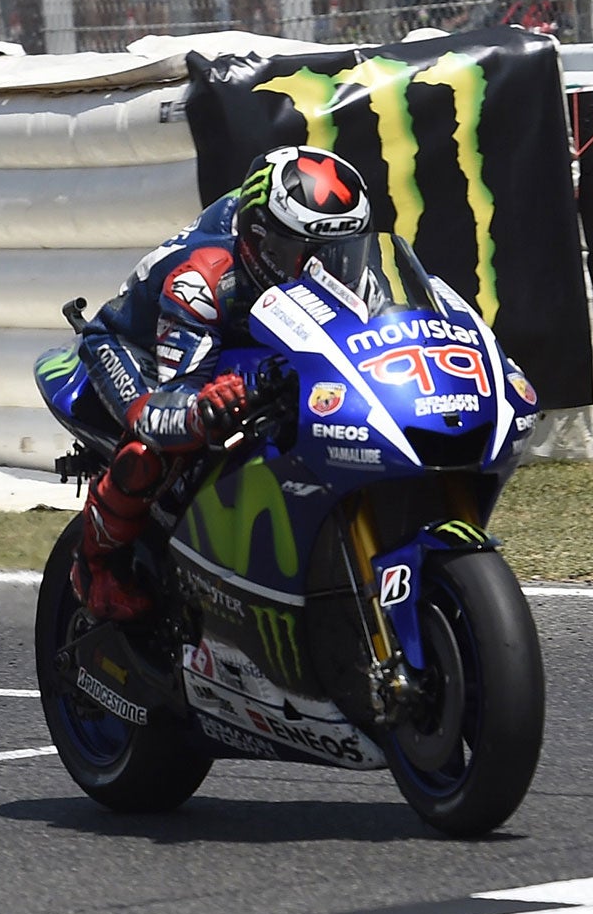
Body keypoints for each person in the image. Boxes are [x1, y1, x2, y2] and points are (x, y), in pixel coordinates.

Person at [67, 145, 374, 622]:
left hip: (243, 336)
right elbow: (176, 396)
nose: (327, 272)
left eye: (341, 253)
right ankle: (94, 566)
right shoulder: (204, 280)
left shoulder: (341, 272)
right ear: (259, 243)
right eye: (305, 256)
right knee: (155, 447)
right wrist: (202, 408)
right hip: (142, 346)